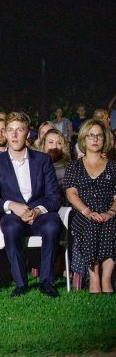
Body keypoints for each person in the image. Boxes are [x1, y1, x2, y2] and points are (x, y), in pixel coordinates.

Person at [0, 112, 62, 298]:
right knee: (10, 227)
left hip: (40, 215)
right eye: (10, 130)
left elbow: (54, 196)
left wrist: (38, 210)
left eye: (20, 130)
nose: (15, 135)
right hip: (13, 216)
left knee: (52, 224)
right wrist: (11, 206)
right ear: (5, 134)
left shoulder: (42, 160)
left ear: (28, 134)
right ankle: (20, 283)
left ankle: (46, 282)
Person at [64, 119, 115, 294]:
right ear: (84, 139)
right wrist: (88, 211)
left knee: (111, 226)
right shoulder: (74, 166)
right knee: (91, 225)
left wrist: (110, 212)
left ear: (105, 139)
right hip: (83, 213)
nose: (95, 139)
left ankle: (106, 278)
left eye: (99, 136)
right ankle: (94, 277)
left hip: (109, 212)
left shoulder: (113, 167)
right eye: (91, 135)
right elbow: (71, 194)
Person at [39, 128, 70, 195]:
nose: (54, 146)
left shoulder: (69, 166)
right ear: (44, 144)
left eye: (59, 143)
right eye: (50, 142)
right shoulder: (35, 164)